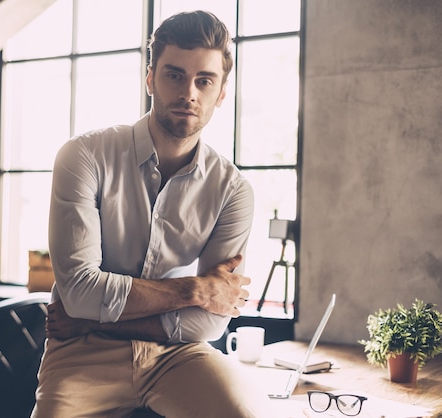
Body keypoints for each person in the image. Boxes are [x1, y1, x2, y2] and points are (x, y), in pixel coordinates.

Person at [32, 10, 274, 418]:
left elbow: (211, 324)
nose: (189, 93)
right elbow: (79, 292)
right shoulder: (84, 156)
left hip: (178, 355)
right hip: (82, 355)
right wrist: (195, 290)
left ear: (222, 91)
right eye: (174, 75)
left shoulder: (233, 191)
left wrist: (94, 320)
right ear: (150, 79)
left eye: (204, 80)